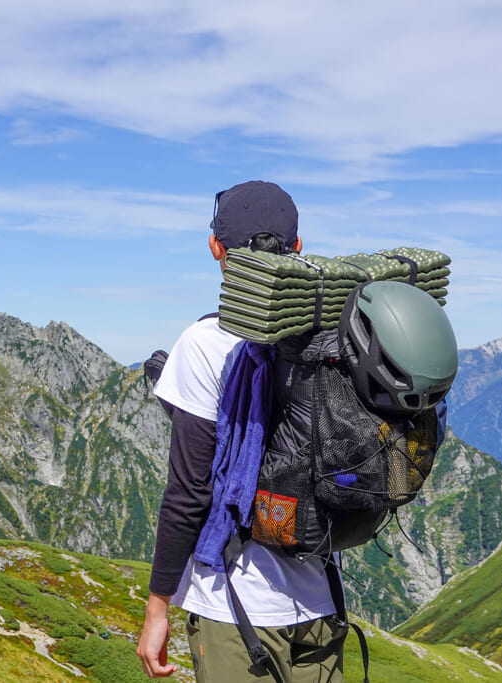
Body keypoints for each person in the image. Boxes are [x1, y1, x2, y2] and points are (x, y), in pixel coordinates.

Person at [136, 181, 347, 682]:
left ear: (216, 248)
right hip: (323, 600)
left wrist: (157, 610)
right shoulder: (336, 337)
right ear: (297, 248)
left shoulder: (206, 343)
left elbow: (189, 494)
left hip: (234, 609)